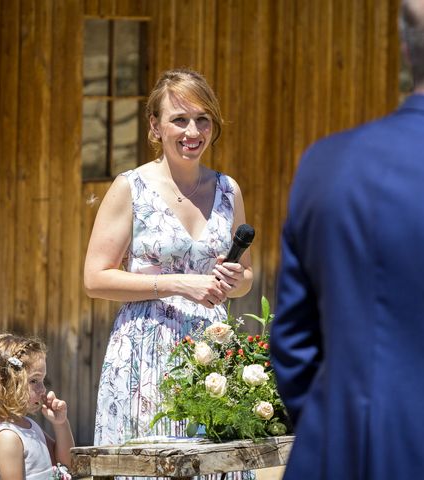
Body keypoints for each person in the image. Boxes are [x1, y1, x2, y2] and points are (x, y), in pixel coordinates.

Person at [271, 1, 424, 479]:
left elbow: (293, 342)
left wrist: (333, 426)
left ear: (406, 51)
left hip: (329, 456)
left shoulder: (323, 164)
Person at [84, 69, 253, 448]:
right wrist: (177, 283)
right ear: (155, 126)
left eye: (202, 119)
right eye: (179, 120)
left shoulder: (228, 190)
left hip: (210, 354)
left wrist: (234, 279)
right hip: (144, 354)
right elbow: (94, 279)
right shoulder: (131, 188)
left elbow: (247, 278)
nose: (193, 132)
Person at [0, 333, 75, 479]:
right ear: (4, 383)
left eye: (43, 380)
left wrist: (61, 423)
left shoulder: (29, 427)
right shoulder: (8, 438)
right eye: (34, 381)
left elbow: (67, 464)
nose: (42, 389)